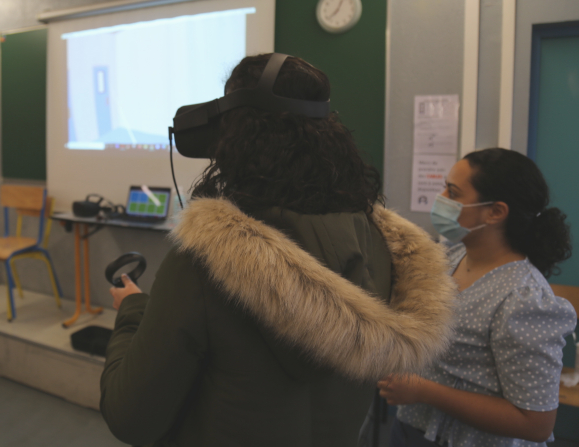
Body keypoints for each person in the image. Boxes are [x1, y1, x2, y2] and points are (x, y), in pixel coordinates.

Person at [100, 54, 457, 447]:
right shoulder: (382, 244)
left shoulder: (204, 262)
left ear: (232, 136)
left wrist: (133, 312)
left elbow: (129, 417)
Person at [379, 148, 577, 447]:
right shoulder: (449, 256)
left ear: (496, 211)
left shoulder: (524, 299)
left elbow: (536, 423)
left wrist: (425, 392)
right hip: (412, 429)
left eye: (453, 192)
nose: (441, 198)